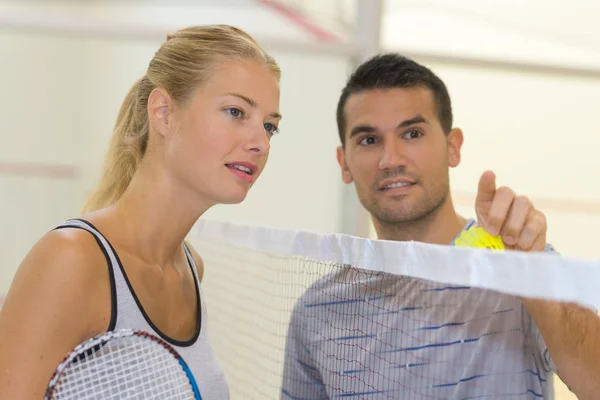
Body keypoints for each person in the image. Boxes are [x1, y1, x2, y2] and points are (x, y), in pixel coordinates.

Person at [280, 53, 600, 399]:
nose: (391, 160)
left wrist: (534, 278)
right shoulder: (316, 310)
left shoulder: (521, 265)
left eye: (413, 133)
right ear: (344, 163)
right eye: (369, 140)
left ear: (453, 147)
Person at [0, 24, 282, 399]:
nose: (260, 142)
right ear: (163, 112)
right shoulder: (70, 260)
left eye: (269, 127)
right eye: (235, 111)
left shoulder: (192, 269)